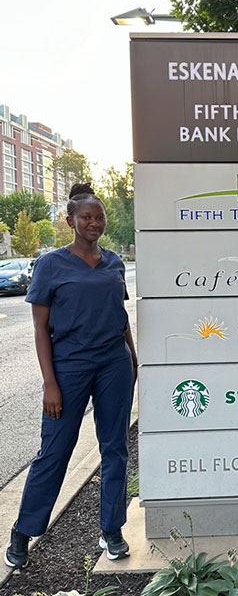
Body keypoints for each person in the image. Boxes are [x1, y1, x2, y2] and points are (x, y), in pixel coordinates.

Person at [4, 183, 137, 569]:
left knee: (115, 448)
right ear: (71, 221)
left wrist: (132, 356)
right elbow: (40, 328)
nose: (94, 222)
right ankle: (24, 531)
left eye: (99, 217)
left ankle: (111, 530)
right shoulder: (51, 264)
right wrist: (50, 383)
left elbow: (120, 314)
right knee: (55, 450)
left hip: (114, 364)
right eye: (86, 217)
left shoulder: (113, 262)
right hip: (70, 367)